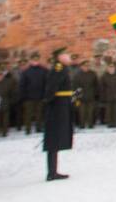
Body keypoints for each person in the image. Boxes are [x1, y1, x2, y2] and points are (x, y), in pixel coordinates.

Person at [43, 47, 75, 181]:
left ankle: (53, 171)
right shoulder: (58, 69)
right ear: (59, 57)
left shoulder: (63, 69)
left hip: (62, 105)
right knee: (54, 139)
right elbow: (51, 89)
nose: (68, 57)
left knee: (57, 139)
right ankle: (51, 172)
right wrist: (51, 105)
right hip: (57, 108)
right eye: (65, 54)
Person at [19, 52, 47, 134]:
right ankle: (27, 129)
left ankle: (39, 127)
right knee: (28, 114)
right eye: (33, 59)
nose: (35, 61)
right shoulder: (26, 72)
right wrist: (23, 96)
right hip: (29, 97)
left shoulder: (44, 70)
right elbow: (22, 85)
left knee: (39, 114)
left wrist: (45, 94)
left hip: (40, 96)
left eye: (37, 59)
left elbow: (47, 83)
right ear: (31, 60)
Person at [73, 60, 98, 129]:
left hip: (91, 95)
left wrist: (95, 94)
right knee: (82, 112)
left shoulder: (92, 74)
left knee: (90, 111)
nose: (86, 67)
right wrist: (77, 96)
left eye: (87, 66)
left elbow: (96, 84)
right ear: (81, 67)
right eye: (85, 66)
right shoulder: (77, 75)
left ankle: (90, 124)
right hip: (81, 96)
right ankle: (82, 124)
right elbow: (75, 86)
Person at [100, 57, 116, 128]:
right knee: (109, 110)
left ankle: (115, 122)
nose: (111, 69)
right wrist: (103, 96)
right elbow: (102, 87)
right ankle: (109, 122)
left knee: (115, 110)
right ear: (107, 68)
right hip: (108, 95)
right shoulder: (104, 76)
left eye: (112, 67)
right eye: (110, 67)